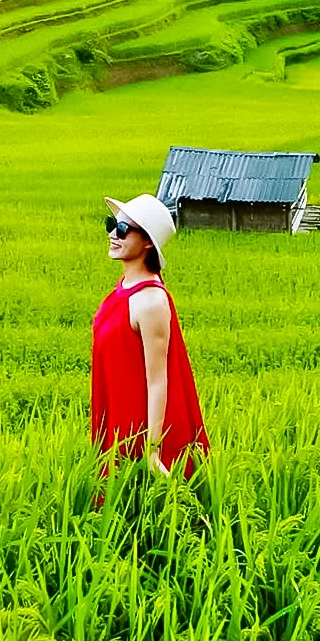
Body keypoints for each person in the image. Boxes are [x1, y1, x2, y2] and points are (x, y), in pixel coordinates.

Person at [90, 193, 210, 477]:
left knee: (133, 493)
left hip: (137, 424)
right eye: (111, 225)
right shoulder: (123, 288)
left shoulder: (151, 301)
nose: (113, 234)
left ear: (147, 242)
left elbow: (158, 381)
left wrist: (153, 449)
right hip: (116, 411)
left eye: (123, 229)